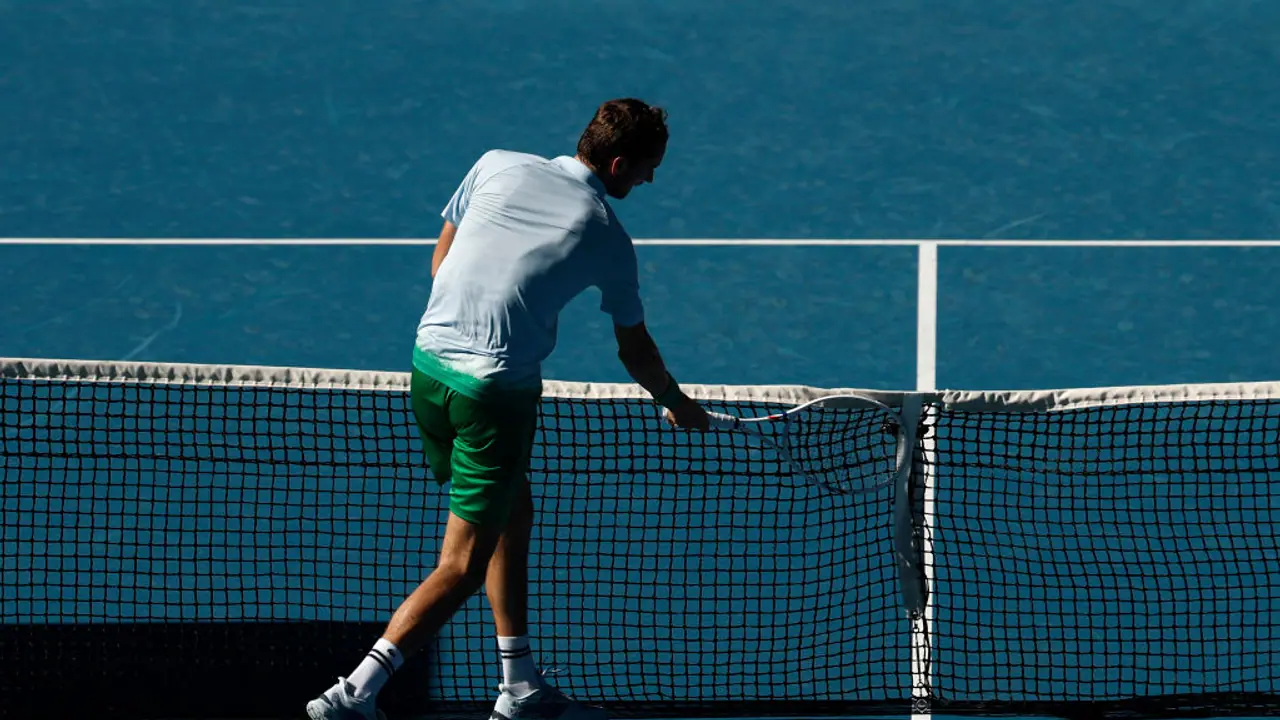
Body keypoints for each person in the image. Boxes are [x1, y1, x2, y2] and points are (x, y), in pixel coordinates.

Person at [307, 98, 710, 720]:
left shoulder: (496, 163)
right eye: (647, 167)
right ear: (619, 163)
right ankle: (354, 692)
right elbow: (635, 350)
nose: (650, 179)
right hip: (493, 397)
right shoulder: (606, 233)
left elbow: (442, 261)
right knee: (463, 564)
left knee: (512, 514)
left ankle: (519, 685)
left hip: (428, 371)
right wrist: (677, 403)